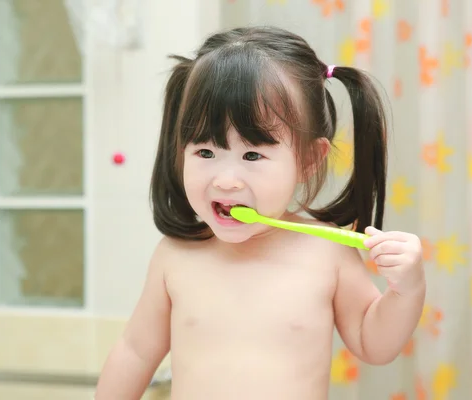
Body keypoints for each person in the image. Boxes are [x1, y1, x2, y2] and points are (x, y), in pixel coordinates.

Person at [95, 26, 425, 400]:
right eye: (205, 152)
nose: (227, 179)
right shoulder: (176, 256)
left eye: (252, 155)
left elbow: (374, 344)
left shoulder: (326, 253)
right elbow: (136, 351)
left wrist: (406, 290)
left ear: (308, 160)